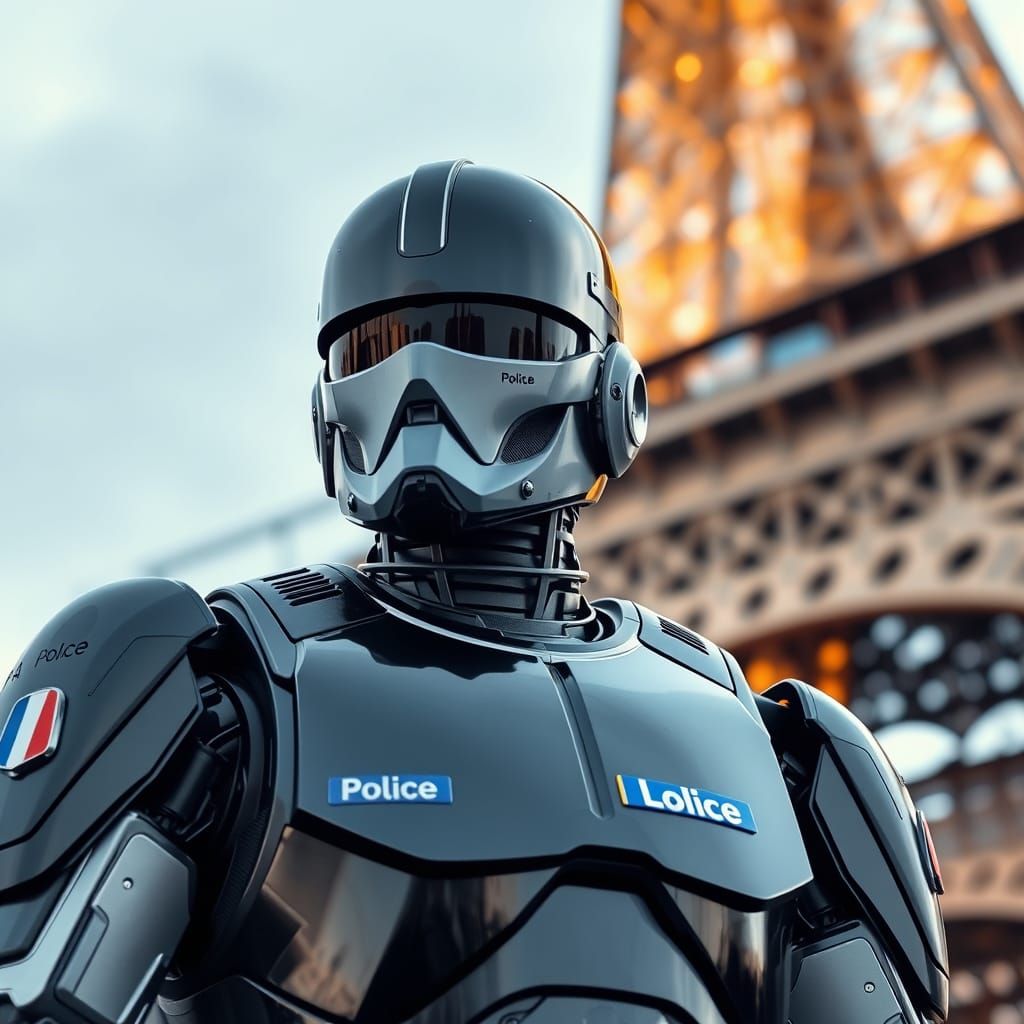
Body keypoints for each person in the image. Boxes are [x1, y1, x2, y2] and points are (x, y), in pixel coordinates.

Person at [0, 162, 947, 1024]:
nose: (419, 384)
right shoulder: (209, 692)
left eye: (486, 338)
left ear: (615, 395)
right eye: (375, 347)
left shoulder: (790, 756)